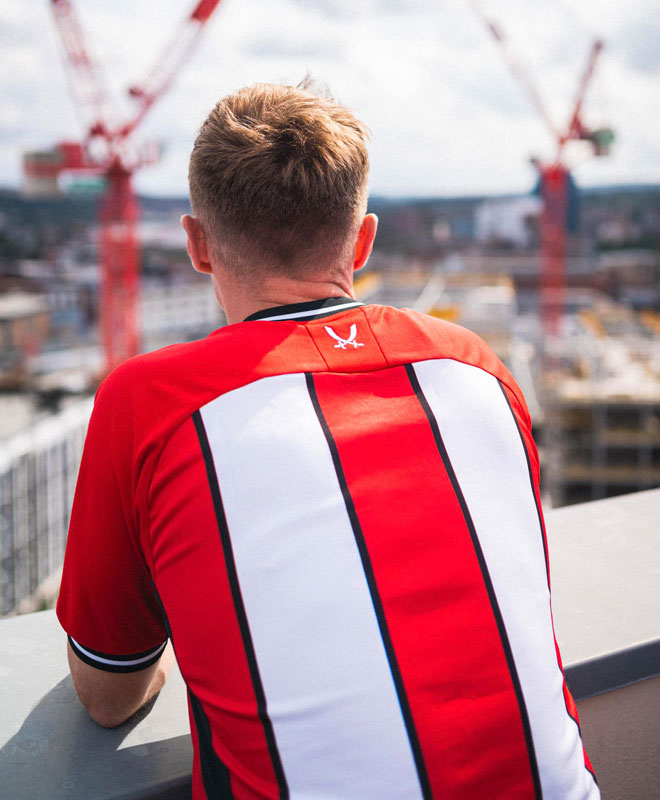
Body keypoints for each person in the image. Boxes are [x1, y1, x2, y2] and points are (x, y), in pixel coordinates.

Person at [57, 81, 599, 800]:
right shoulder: (476, 367)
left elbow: (107, 693)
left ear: (197, 245)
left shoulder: (150, 403)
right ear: (363, 241)